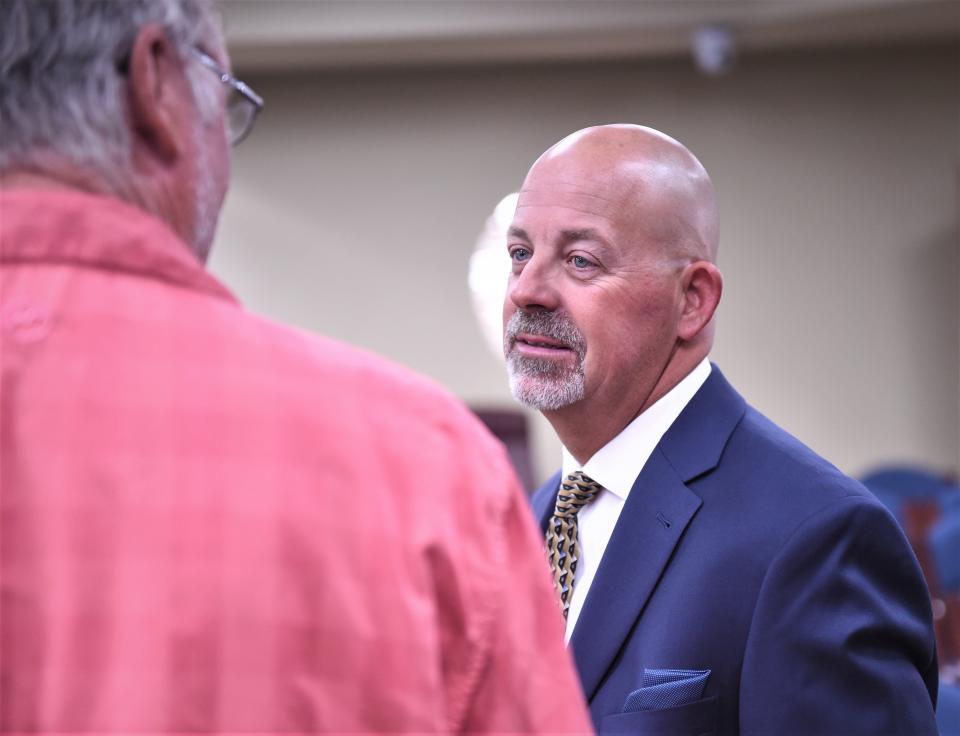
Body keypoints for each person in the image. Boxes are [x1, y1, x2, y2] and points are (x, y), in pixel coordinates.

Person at [0, 1, 592, 732]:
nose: (531, 289)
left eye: (580, 260)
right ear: (153, 86)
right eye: (222, 98)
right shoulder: (425, 470)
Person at [503, 123, 939, 734]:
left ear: (693, 301)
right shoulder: (536, 520)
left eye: (580, 260)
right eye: (520, 253)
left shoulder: (817, 538)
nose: (526, 290)